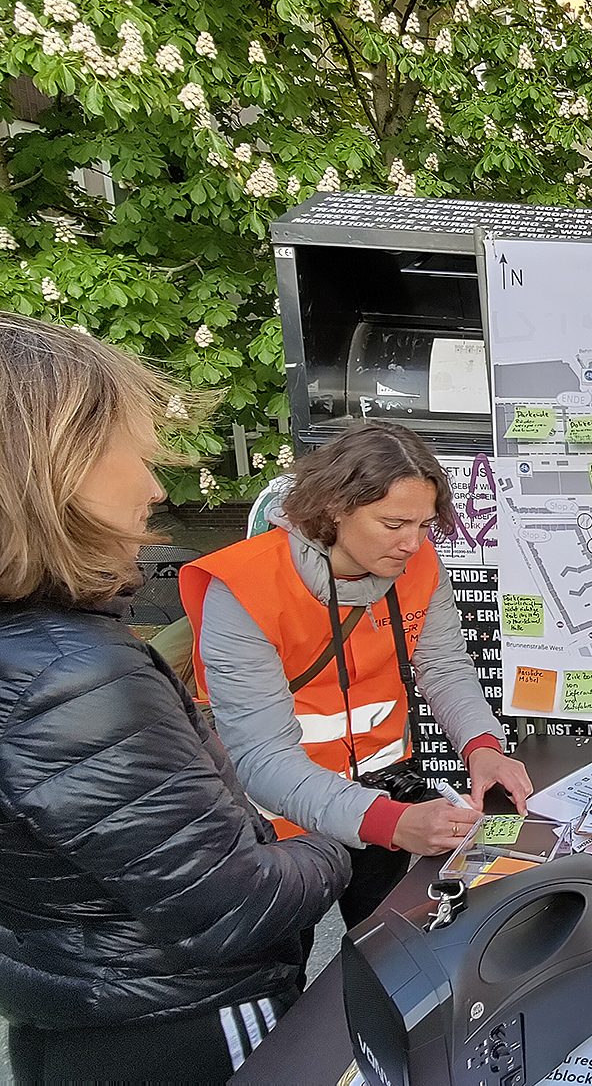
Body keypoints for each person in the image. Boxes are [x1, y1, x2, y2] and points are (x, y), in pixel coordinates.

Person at [0, 314, 350, 1083]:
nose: (156, 487)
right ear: (54, 461)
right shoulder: (75, 676)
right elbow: (229, 902)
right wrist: (347, 837)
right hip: (186, 1019)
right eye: (132, 451)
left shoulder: (39, 649)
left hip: (86, 1011)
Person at [180, 422, 533, 930]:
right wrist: (394, 822)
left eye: (424, 524)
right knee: (286, 973)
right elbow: (262, 756)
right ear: (333, 509)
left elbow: (444, 665)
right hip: (280, 819)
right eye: (394, 524)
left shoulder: (418, 563)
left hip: (382, 798)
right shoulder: (244, 589)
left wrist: (483, 747)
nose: (413, 544)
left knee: (382, 950)